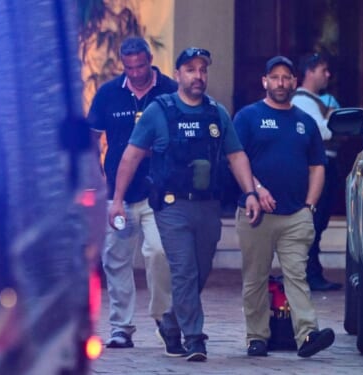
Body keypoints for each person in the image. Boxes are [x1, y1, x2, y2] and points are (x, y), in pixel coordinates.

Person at [108, 47, 261, 362]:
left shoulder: (217, 113)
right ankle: (195, 338)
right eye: (190, 69)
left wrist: (250, 193)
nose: (198, 75)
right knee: (184, 270)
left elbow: (236, 155)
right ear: (177, 75)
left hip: (207, 206)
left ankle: (171, 321)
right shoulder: (159, 111)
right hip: (171, 206)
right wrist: (118, 200)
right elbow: (131, 155)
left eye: (202, 69)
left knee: (201, 269)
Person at [234, 56, 336, 358]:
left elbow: (318, 166)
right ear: (265, 81)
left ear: (294, 82)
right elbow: (236, 160)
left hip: (296, 215)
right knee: (255, 278)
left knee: (297, 276)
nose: (281, 83)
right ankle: (257, 337)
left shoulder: (305, 121)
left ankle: (306, 335)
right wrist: (256, 190)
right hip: (256, 215)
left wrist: (309, 206)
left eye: (287, 77)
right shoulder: (248, 117)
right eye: (275, 77)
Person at [87, 36, 178, 349]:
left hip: (159, 192)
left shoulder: (169, 90)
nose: (136, 73)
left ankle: (163, 319)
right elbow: (91, 139)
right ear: (122, 64)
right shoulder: (108, 93)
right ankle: (121, 328)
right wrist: (97, 180)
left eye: (141, 65)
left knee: (159, 252)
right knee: (116, 260)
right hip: (117, 195)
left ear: (150, 59)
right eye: (129, 67)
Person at [290, 53, 343, 292]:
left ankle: (311, 272)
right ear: (309, 72)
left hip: (326, 166)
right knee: (313, 221)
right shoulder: (302, 101)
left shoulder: (316, 101)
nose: (328, 75)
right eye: (323, 70)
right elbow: (322, 132)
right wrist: (332, 119)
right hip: (314, 169)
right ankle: (309, 274)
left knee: (318, 222)